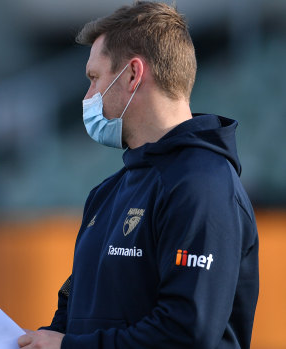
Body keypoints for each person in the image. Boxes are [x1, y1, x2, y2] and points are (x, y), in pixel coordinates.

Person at [18, 2, 259, 348]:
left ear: (132, 75)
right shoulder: (106, 193)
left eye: (94, 78)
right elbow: (74, 317)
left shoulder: (203, 186)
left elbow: (185, 335)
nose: (88, 96)